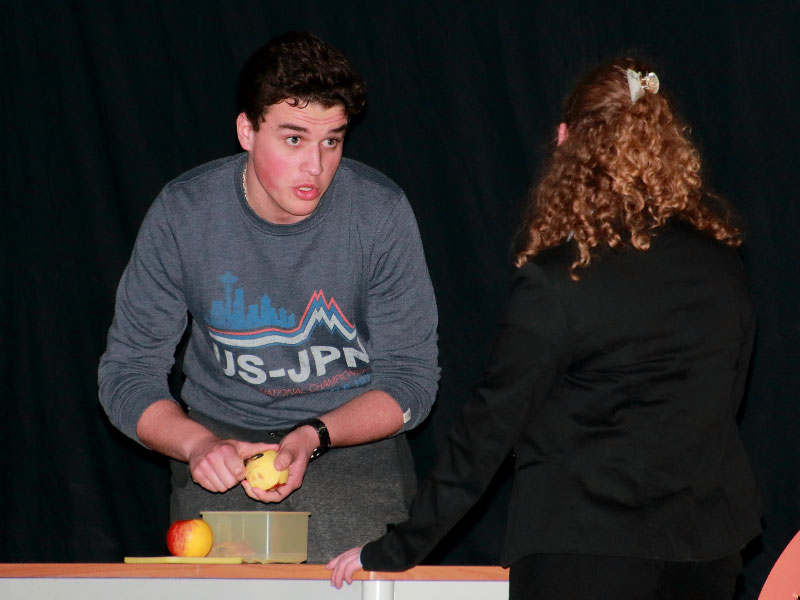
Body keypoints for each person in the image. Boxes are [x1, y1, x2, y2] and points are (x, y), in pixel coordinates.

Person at [327, 58, 762, 599]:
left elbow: (486, 432)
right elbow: (723, 402)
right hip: (706, 551)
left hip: (585, 554)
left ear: (564, 139)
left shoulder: (560, 281)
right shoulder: (722, 265)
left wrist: (397, 548)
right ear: (665, 146)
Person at [98, 31, 439, 563]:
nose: (315, 166)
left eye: (332, 141)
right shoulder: (184, 213)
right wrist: (196, 444)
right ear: (247, 131)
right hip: (221, 456)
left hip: (349, 451)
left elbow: (411, 381)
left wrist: (314, 435)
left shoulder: (379, 213)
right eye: (294, 139)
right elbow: (127, 374)